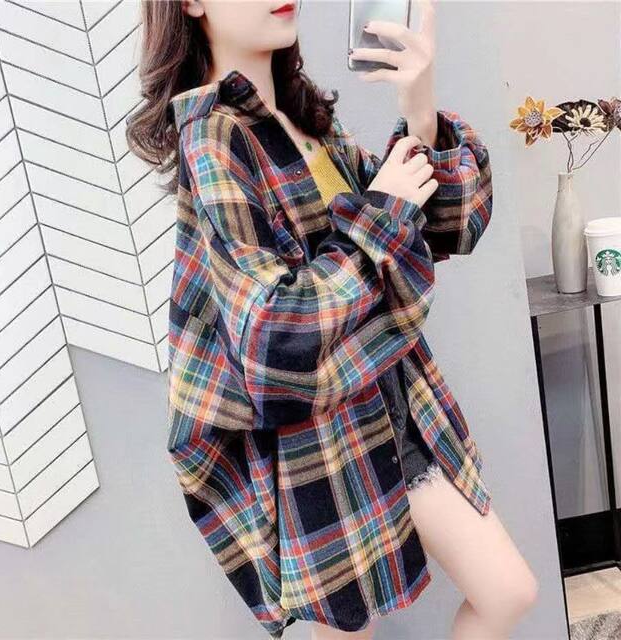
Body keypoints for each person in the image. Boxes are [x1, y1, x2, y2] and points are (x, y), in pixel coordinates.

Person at [126, 1, 539, 639]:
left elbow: (443, 225)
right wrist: (382, 213)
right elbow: (272, 332)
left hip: (391, 403)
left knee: (506, 592)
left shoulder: (302, 116)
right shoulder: (214, 140)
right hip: (318, 442)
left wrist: (420, 108)